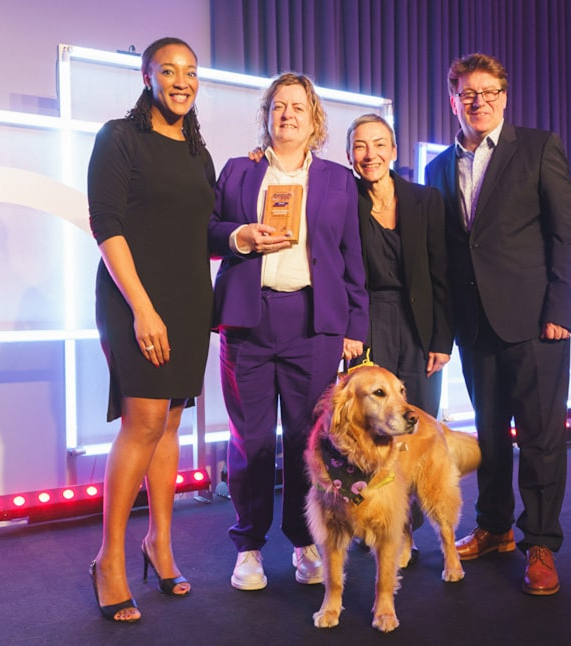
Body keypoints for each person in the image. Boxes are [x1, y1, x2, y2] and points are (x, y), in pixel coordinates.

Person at [425, 52, 571, 596]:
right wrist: (442, 332)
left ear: (505, 97)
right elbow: (445, 257)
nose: (481, 102)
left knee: (539, 437)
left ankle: (540, 542)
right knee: (489, 436)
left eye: (490, 93)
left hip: (537, 323)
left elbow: (565, 233)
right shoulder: (437, 168)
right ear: (454, 100)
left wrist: (562, 310)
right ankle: (494, 528)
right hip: (474, 326)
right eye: (470, 94)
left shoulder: (538, 148)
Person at [208, 72, 368, 591]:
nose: (288, 115)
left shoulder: (338, 180)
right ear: (267, 115)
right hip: (248, 323)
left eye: (298, 107)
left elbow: (351, 259)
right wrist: (239, 236)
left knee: (307, 441)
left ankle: (304, 541)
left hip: (314, 326)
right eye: (279, 106)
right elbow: (207, 231)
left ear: (314, 117)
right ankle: (248, 547)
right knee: (250, 440)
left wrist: (355, 327)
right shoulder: (237, 172)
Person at [87, 37, 215, 623]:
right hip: (133, 297)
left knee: (170, 425)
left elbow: (202, 231)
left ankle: (160, 544)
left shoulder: (197, 151)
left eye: (190, 72)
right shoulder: (120, 137)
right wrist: (141, 307)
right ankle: (109, 558)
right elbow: (106, 223)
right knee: (142, 423)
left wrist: (240, 237)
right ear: (148, 77)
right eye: (169, 70)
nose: (181, 81)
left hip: (189, 301)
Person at [346, 114, 453, 417]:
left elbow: (441, 276)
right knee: (372, 421)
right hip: (366, 324)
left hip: (418, 325)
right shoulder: (343, 199)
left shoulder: (425, 200)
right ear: (349, 156)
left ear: (393, 151)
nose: (370, 155)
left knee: (419, 420)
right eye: (360, 146)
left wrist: (442, 341)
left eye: (379, 145)